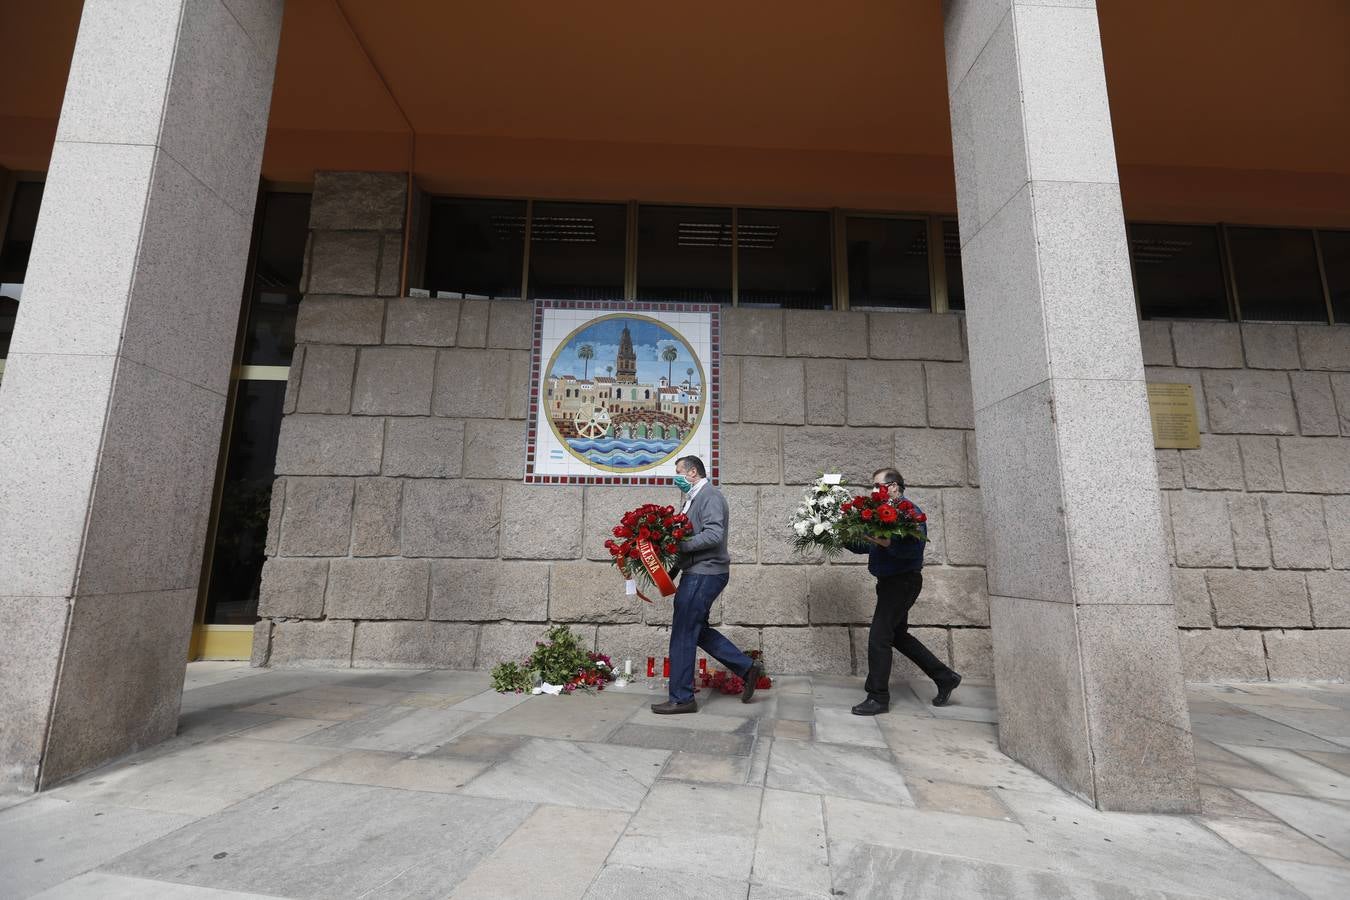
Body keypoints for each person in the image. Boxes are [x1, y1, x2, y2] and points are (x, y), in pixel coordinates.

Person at [651, 454, 764, 714]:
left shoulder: (710, 496)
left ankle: (682, 698)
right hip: (698, 572)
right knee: (696, 629)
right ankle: (747, 668)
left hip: (705, 573)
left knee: (682, 632)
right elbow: (688, 539)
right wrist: (672, 571)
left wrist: (679, 545)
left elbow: (713, 534)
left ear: (692, 473)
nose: (676, 476)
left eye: (679, 471)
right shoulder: (692, 500)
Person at [849, 467, 961, 716]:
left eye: (877, 486)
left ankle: (877, 697)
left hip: (902, 583)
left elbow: (911, 550)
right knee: (897, 636)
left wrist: (884, 541)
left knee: (879, 638)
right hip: (889, 583)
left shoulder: (911, 513)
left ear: (893, 487)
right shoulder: (881, 516)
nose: (872, 491)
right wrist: (840, 534)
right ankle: (945, 677)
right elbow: (866, 546)